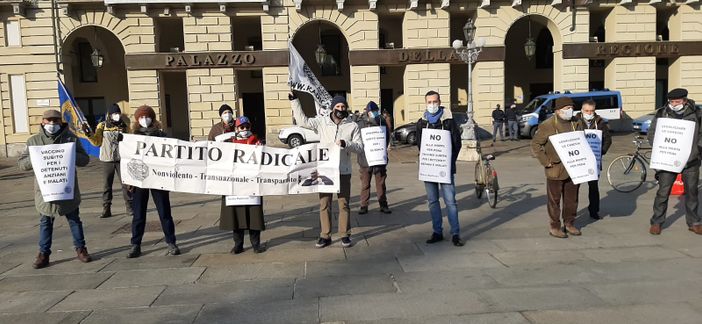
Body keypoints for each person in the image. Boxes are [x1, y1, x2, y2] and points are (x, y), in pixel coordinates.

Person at [18, 109, 92, 269]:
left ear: (61, 122)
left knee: (74, 221)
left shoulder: (71, 139)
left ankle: (81, 249)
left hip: (67, 190)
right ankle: (43, 254)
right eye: (48, 121)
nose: (52, 124)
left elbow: (85, 160)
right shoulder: (33, 141)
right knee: (45, 222)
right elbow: (22, 164)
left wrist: (70, 154)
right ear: (42, 122)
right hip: (45, 192)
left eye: (55, 121)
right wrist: (35, 158)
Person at [290, 93, 363, 248]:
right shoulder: (322, 122)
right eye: (338, 106)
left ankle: (344, 234)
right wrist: (294, 101)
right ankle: (325, 235)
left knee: (344, 203)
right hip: (325, 170)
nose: (340, 109)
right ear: (332, 108)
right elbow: (303, 121)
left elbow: (360, 147)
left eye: (343, 106)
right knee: (324, 204)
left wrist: (346, 143)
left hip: (343, 171)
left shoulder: (352, 126)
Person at [126, 105, 180, 258]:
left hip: (158, 179)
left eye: (147, 116)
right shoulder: (131, 137)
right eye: (141, 117)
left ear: (153, 118)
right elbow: (126, 160)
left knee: (164, 213)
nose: (145, 119)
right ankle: (135, 244)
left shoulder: (162, 135)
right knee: (138, 215)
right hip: (139, 180)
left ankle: (171, 242)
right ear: (137, 120)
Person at [648, 88, 702, 235]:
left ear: (685, 101)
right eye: (671, 102)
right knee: (663, 192)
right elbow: (652, 133)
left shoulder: (696, 114)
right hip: (668, 160)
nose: (674, 104)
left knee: (692, 193)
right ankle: (657, 222)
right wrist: (659, 147)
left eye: (677, 102)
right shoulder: (662, 113)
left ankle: (694, 222)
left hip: (691, 161)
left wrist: (697, 149)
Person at [531, 97, 584, 238]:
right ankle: (554, 226)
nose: (570, 111)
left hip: (574, 168)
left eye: (571, 108)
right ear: (558, 111)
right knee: (554, 200)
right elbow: (536, 145)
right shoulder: (547, 125)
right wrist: (546, 162)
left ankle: (569, 223)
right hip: (555, 168)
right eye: (567, 108)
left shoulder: (576, 123)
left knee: (572, 199)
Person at [416, 91, 464, 246]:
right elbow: (419, 144)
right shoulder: (422, 122)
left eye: (434, 101)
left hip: (445, 168)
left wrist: (448, 161)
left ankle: (455, 233)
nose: (432, 105)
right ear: (426, 103)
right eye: (429, 102)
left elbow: (457, 143)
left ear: (439, 101)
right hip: (429, 168)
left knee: (450, 201)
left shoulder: (449, 121)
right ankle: (437, 231)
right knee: (433, 201)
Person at [221, 116, 266, 254]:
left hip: (252, 184)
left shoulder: (257, 142)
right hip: (235, 185)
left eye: (247, 127)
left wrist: (262, 150)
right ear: (236, 129)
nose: (245, 130)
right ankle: (238, 244)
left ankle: (256, 244)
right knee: (236, 214)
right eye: (242, 127)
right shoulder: (229, 143)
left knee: (254, 214)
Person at [86, 103, 132, 219]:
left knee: (126, 185)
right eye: (114, 114)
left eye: (118, 113)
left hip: (121, 160)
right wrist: (89, 135)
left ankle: (129, 207)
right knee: (107, 186)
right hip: (107, 160)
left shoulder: (124, 125)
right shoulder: (102, 126)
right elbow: (97, 142)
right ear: (109, 115)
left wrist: (125, 137)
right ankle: (106, 209)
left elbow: (130, 142)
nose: (116, 115)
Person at [577, 99, 612, 220]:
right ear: (582, 110)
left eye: (591, 111)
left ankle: (594, 211)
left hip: (594, 161)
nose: (589, 113)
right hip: (578, 161)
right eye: (586, 110)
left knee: (593, 187)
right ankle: (571, 213)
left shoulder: (600, 122)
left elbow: (608, 139)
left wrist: (600, 151)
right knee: (574, 188)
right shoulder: (575, 121)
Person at [356, 101, 392, 215]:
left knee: (381, 183)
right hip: (365, 160)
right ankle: (363, 205)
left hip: (379, 159)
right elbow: (357, 138)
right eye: (372, 111)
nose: (374, 113)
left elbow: (386, 136)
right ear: (367, 112)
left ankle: (383, 204)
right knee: (365, 184)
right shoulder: (360, 122)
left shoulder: (382, 121)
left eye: (376, 111)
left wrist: (383, 149)